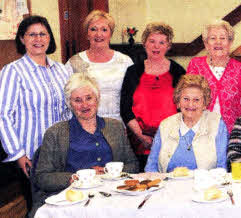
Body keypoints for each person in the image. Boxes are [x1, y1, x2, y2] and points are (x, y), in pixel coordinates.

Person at [31, 73, 138, 216]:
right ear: (70, 104)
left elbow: (133, 164)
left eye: (89, 98)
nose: (85, 105)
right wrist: (76, 177)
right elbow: (42, 177)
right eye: (77, 100)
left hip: (112, 196)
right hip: (73, 200)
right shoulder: (55, 133)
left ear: (97, 99)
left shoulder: (115, 127)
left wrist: (110, 172)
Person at [0, 15, 71, 213]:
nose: (38, 39)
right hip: (33, 156)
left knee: (64, 206)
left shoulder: (61, 69)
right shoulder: (12, 71)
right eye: (32, 34)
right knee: (39, 209)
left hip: (62, 152)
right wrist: (18, 154)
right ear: (22, 39)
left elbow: (68, 110)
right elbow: (3, 116)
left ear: (50, 38)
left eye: (42, 34)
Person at [120, 22, 185, 170]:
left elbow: (185, 107)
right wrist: (141, 136)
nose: (156, 46)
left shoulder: (178, 71)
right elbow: (125, 108)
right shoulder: (133, 71)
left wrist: (170, 136)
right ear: (144, 43)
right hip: (139, 143)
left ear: (168, 46)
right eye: (152, 41)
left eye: (162, 42)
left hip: (172, 141)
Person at [145, 75, 228, 172]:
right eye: (186, 99)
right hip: (169, 185)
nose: (190, 104)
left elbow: (221, 167)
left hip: (205, 185)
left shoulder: (217, 124)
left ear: (205, 103)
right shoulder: (166, 125)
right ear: (178, 101)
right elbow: (151, 166)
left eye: (196, 100)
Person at [187, 20, 241, 132]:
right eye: (213, 38)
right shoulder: (196, 65)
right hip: (200, 131)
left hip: (233, 132)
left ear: (230, 42)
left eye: (223, 38)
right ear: (206, 44)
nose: (218, 42)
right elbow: (188, 99)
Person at [66, 10, 134, 122]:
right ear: (87, 34)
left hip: (119, 125)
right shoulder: (74, 62)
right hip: (85, 125)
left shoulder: (125, 61)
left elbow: (132, 98)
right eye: (93, 29)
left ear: (110, 34)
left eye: (104, 29)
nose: (99, 34)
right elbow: (68, 99)